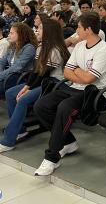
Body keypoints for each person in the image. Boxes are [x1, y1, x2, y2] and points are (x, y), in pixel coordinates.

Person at [33, 12, 106, 176]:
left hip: (97, 94)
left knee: (64, 107)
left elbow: (90, 79)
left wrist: (76, 71)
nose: (76, 30)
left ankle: (52, 158)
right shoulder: (79, 46)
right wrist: (80, 74)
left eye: (78, 27)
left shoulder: (104, 49)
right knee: (41, 105)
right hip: (76, 88)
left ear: (88, 29)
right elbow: (67, 72)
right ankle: (68, 141)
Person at [0, 18, 70, 152]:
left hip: (54, 83)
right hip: (43, 81)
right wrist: (27, 86)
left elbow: (43, 73)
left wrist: (27, 88)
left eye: (41, 28)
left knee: (23, 99)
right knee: (10, 93)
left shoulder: (55, 49)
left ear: (49, 32)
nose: (37, 30)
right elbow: (36, 71)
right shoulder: (41, 46)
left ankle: (8, 140)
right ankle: (20, 130)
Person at [0, 23, 37, 96]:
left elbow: (17, 68)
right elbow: (2, 62)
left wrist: (0, 75)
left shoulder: (29, 48)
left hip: (20, 78)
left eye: (11, 33)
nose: (8, 35)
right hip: (8, 75)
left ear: (21, 34)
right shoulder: (12, 46)